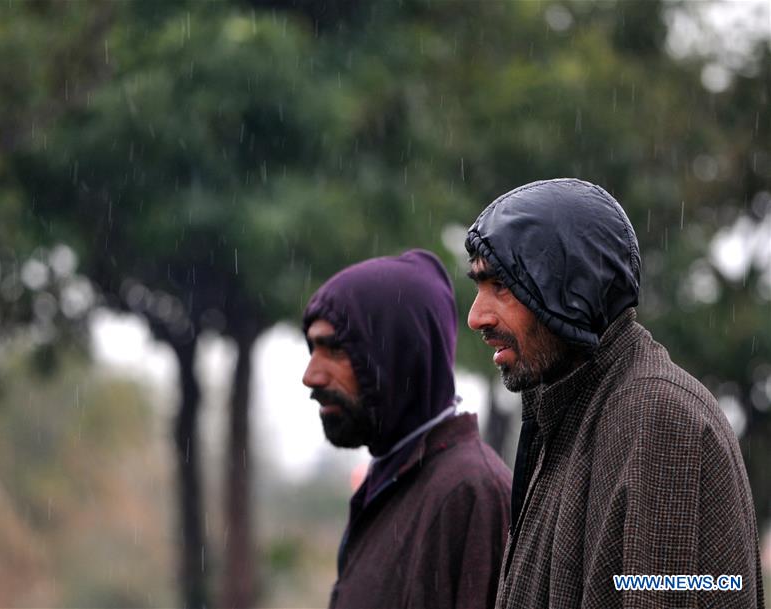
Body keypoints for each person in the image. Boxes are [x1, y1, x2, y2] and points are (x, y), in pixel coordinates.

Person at [463, 178, 764, 609]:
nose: (477, 317)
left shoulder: (658, 420)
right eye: (477, 287)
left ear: (568, 289)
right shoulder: (568, 414)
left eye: (501, 286)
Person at [302, 249, 512, 609]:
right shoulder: (392, 479)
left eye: (335, 349)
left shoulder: (470, 492)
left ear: (400, 353)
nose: (311, 376)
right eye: (311, 349)